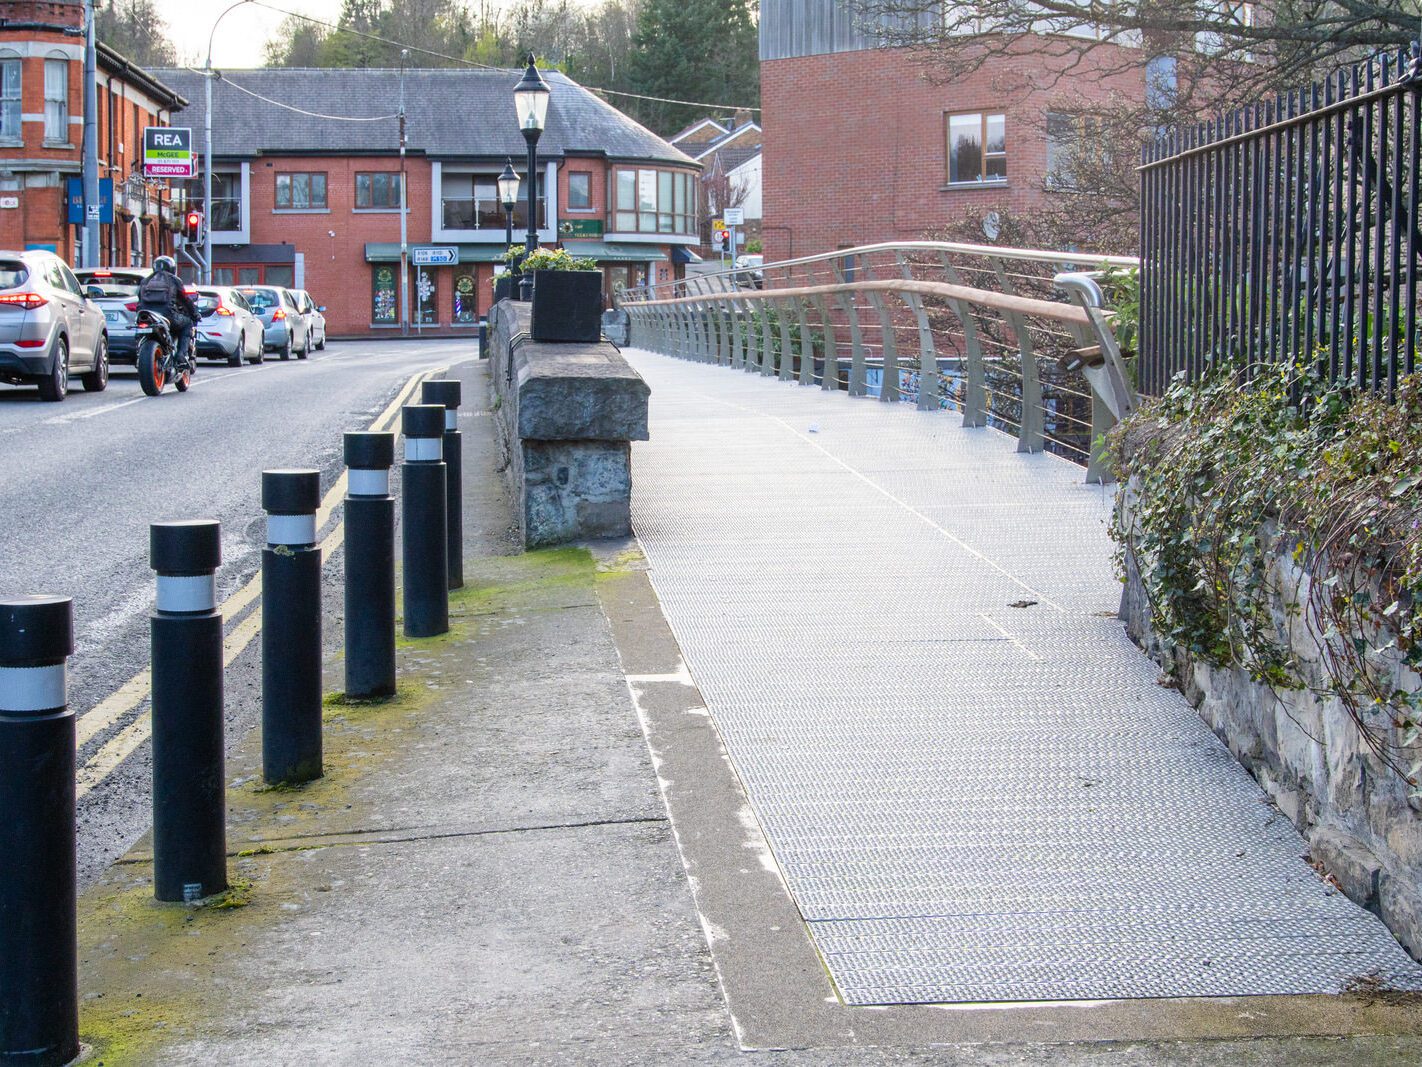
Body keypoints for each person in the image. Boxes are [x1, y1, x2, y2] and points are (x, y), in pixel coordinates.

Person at [137, 256, 199, 369]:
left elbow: (139, 298)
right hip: (167, 315)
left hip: (145, 315)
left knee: (139, 332)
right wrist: (194, 314)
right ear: (172, 268)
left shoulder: (145, 280)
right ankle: (181, 356)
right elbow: (185, 299)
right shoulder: (174, 280)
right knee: (187, 323)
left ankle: (139, 352)